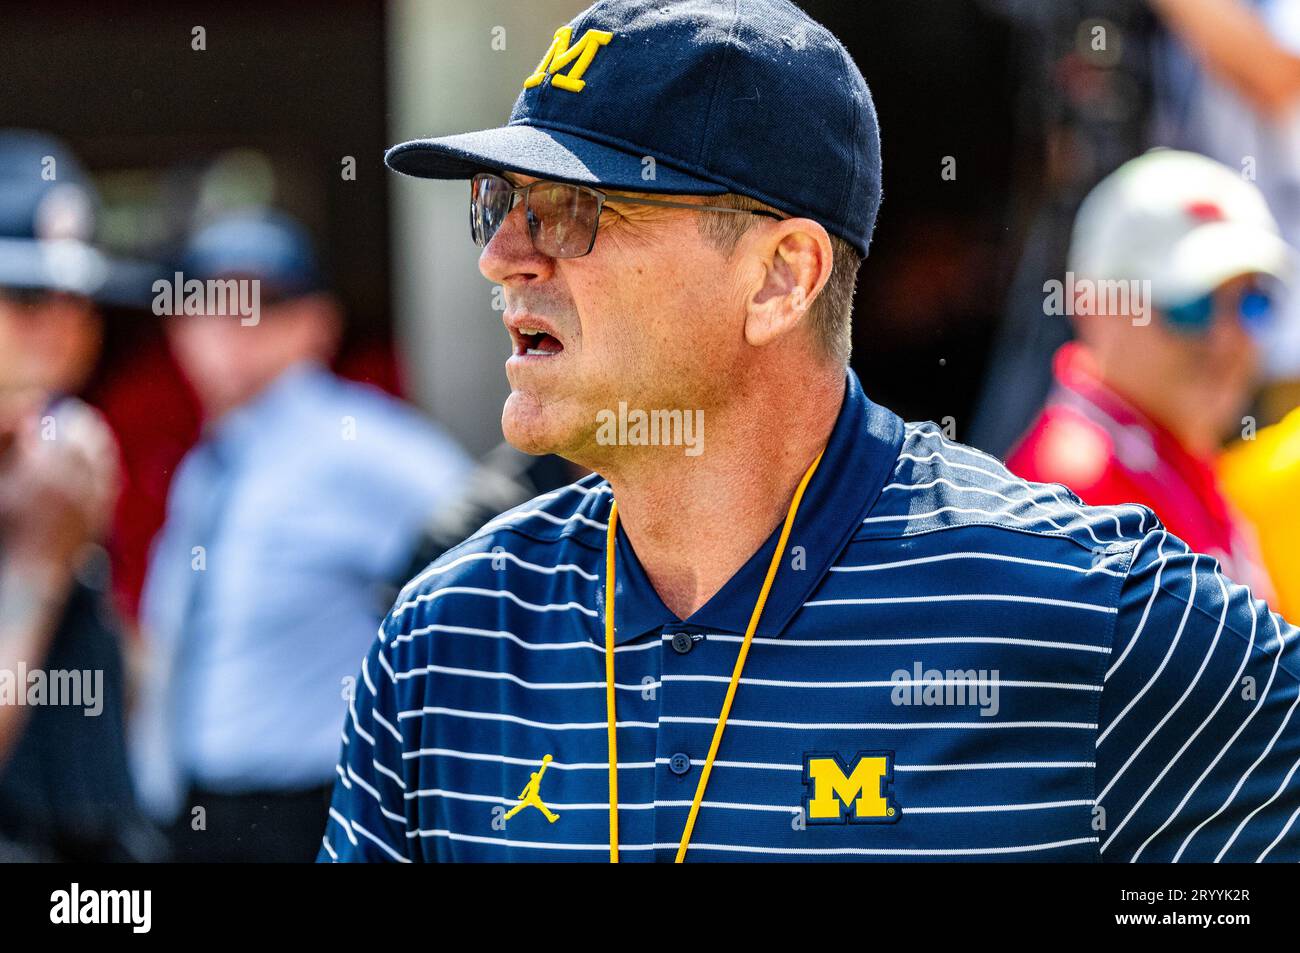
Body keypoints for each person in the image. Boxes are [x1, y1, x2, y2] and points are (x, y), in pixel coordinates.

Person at [323, 0, 1300, 863]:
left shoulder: (1091, 602)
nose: (501, 256)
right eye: (498, 205)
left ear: (781, 276)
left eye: (572, 210)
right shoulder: (443, 637)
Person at [130, 210, 473, 862]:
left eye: (265, 302)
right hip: (192, 811)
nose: (235, 328)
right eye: (210, 301)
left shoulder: (361, 445)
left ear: (319, 322)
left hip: (304, 810)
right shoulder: (211, 462)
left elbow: (505, 561)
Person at [1006, 149, 1287, 598]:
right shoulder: (1075, 497)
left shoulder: (1167, 458)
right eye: (1190, 305)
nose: (1227, 338)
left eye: (1253, 303)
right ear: (1092, 303)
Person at [0, 129, 156, 861]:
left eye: (81, 301)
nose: (62, 329)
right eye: (29, 298)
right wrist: (36, 556)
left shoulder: (57, 448)